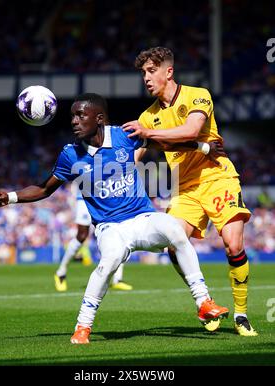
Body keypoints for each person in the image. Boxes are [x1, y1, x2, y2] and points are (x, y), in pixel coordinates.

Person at [0, 93, 228, 345]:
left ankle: (203, 302)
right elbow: (44, 189)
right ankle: (83, 327)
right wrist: (11, 197)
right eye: (72, 115)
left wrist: (204, 147)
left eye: (81, 115)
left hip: (142, 217)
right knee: (111, 259)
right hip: (110, 227)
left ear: (99, 118)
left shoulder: (124, 136)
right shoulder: (70, 154)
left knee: (174, 229)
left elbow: (165, 145)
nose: (74, 121)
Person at [123, 47, 257, 336]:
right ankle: (205, 302)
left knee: (233, 245)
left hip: (216, 176)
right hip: (184, 187)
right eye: (143, 73)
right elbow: (134, 157)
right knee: (173, 244)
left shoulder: (198, 94)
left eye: (151, 71)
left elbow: (191, 130)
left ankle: (242, 314)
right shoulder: (147, 116)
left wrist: (148, 134)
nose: (146, 78)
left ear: (168, 72)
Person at [54, 189, 133, 292]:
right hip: (87, 195)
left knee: (118, 231)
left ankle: (117, 279)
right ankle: (61, 273)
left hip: (107, 196)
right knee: (82, 235)